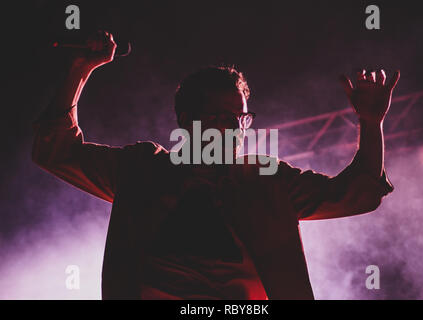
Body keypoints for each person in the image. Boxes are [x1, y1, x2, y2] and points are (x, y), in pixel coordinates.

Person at [32, 31, 399, 300]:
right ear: (185, 119)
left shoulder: (268, 179)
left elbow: (360, 195)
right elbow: (55, 150)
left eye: (240, 118)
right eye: (219, 117)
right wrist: (79, 72)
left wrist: (371, 123)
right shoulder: (141, 168)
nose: (234, 128)